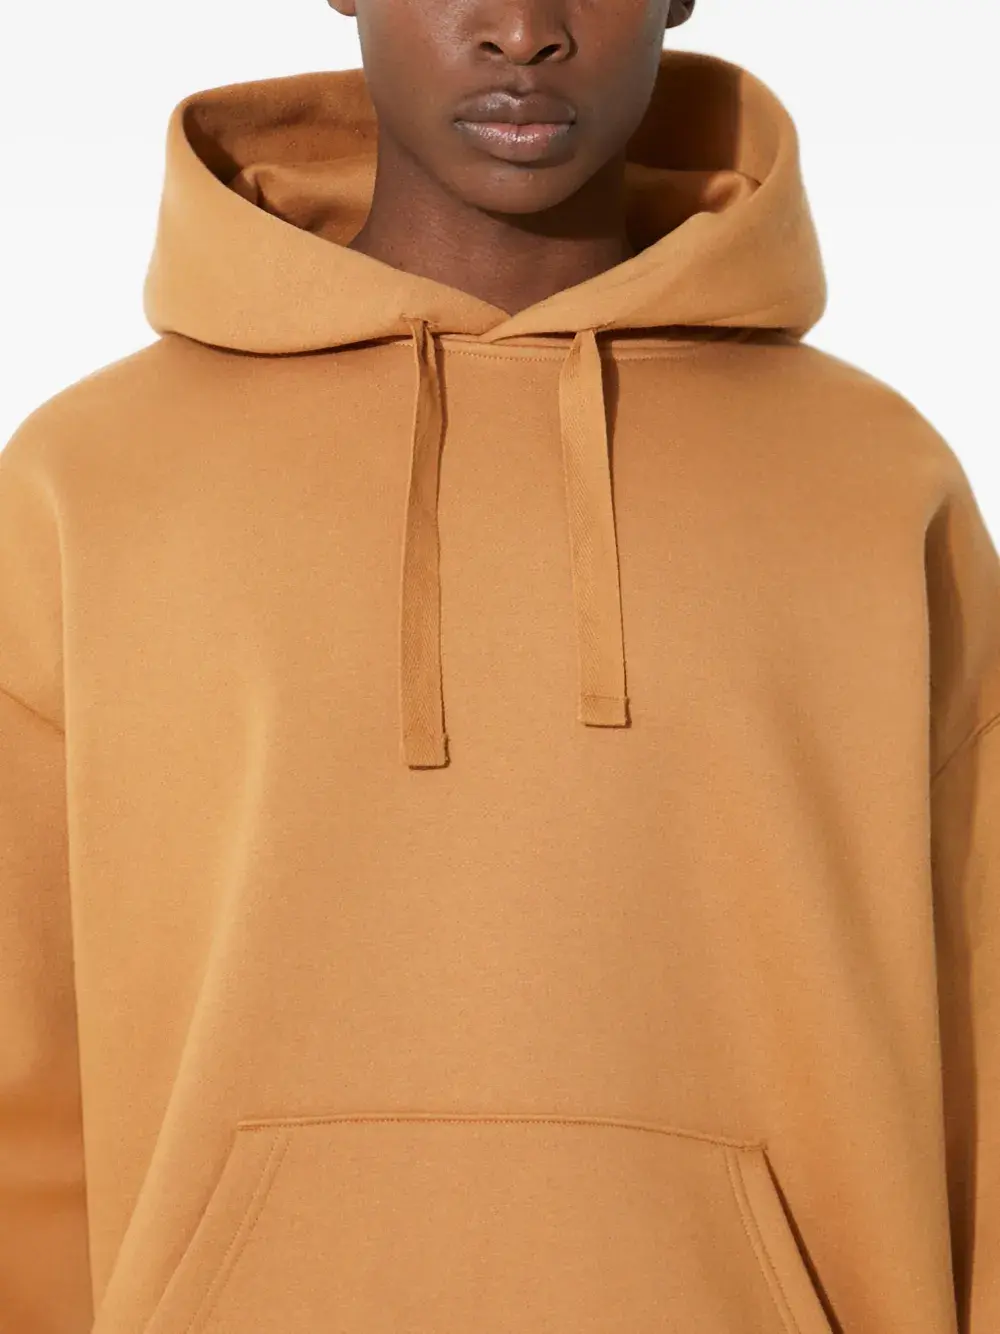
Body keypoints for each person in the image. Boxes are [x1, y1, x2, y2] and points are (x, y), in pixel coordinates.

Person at [1, 2, 996, 1332]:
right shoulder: (93, 484)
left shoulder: (874, 485)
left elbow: (985, 1055)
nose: (523, 30)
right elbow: (23, 1083)